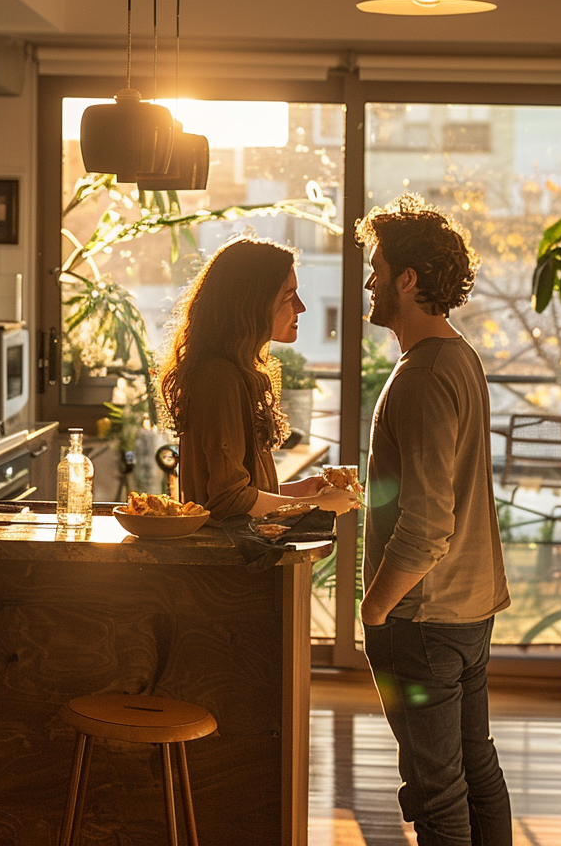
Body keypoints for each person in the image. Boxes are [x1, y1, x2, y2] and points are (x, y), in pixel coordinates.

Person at [354, 193, 513, 846]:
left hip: (422, 620)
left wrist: (372, 610)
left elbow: (425, 526)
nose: (368, 280)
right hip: (468, 611)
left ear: (407, 279)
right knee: (476, 770)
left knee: (436, 792)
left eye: (375, 265)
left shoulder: (421, 378)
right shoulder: (460, 357)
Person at [160, 236, 359, 520]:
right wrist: (317, 506)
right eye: (289, 296)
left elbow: (244, 491)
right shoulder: (220, 378)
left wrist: (301, 492)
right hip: (228, 561)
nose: (300, 307)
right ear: (253, 303)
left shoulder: (232, 372)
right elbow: (229, 501)